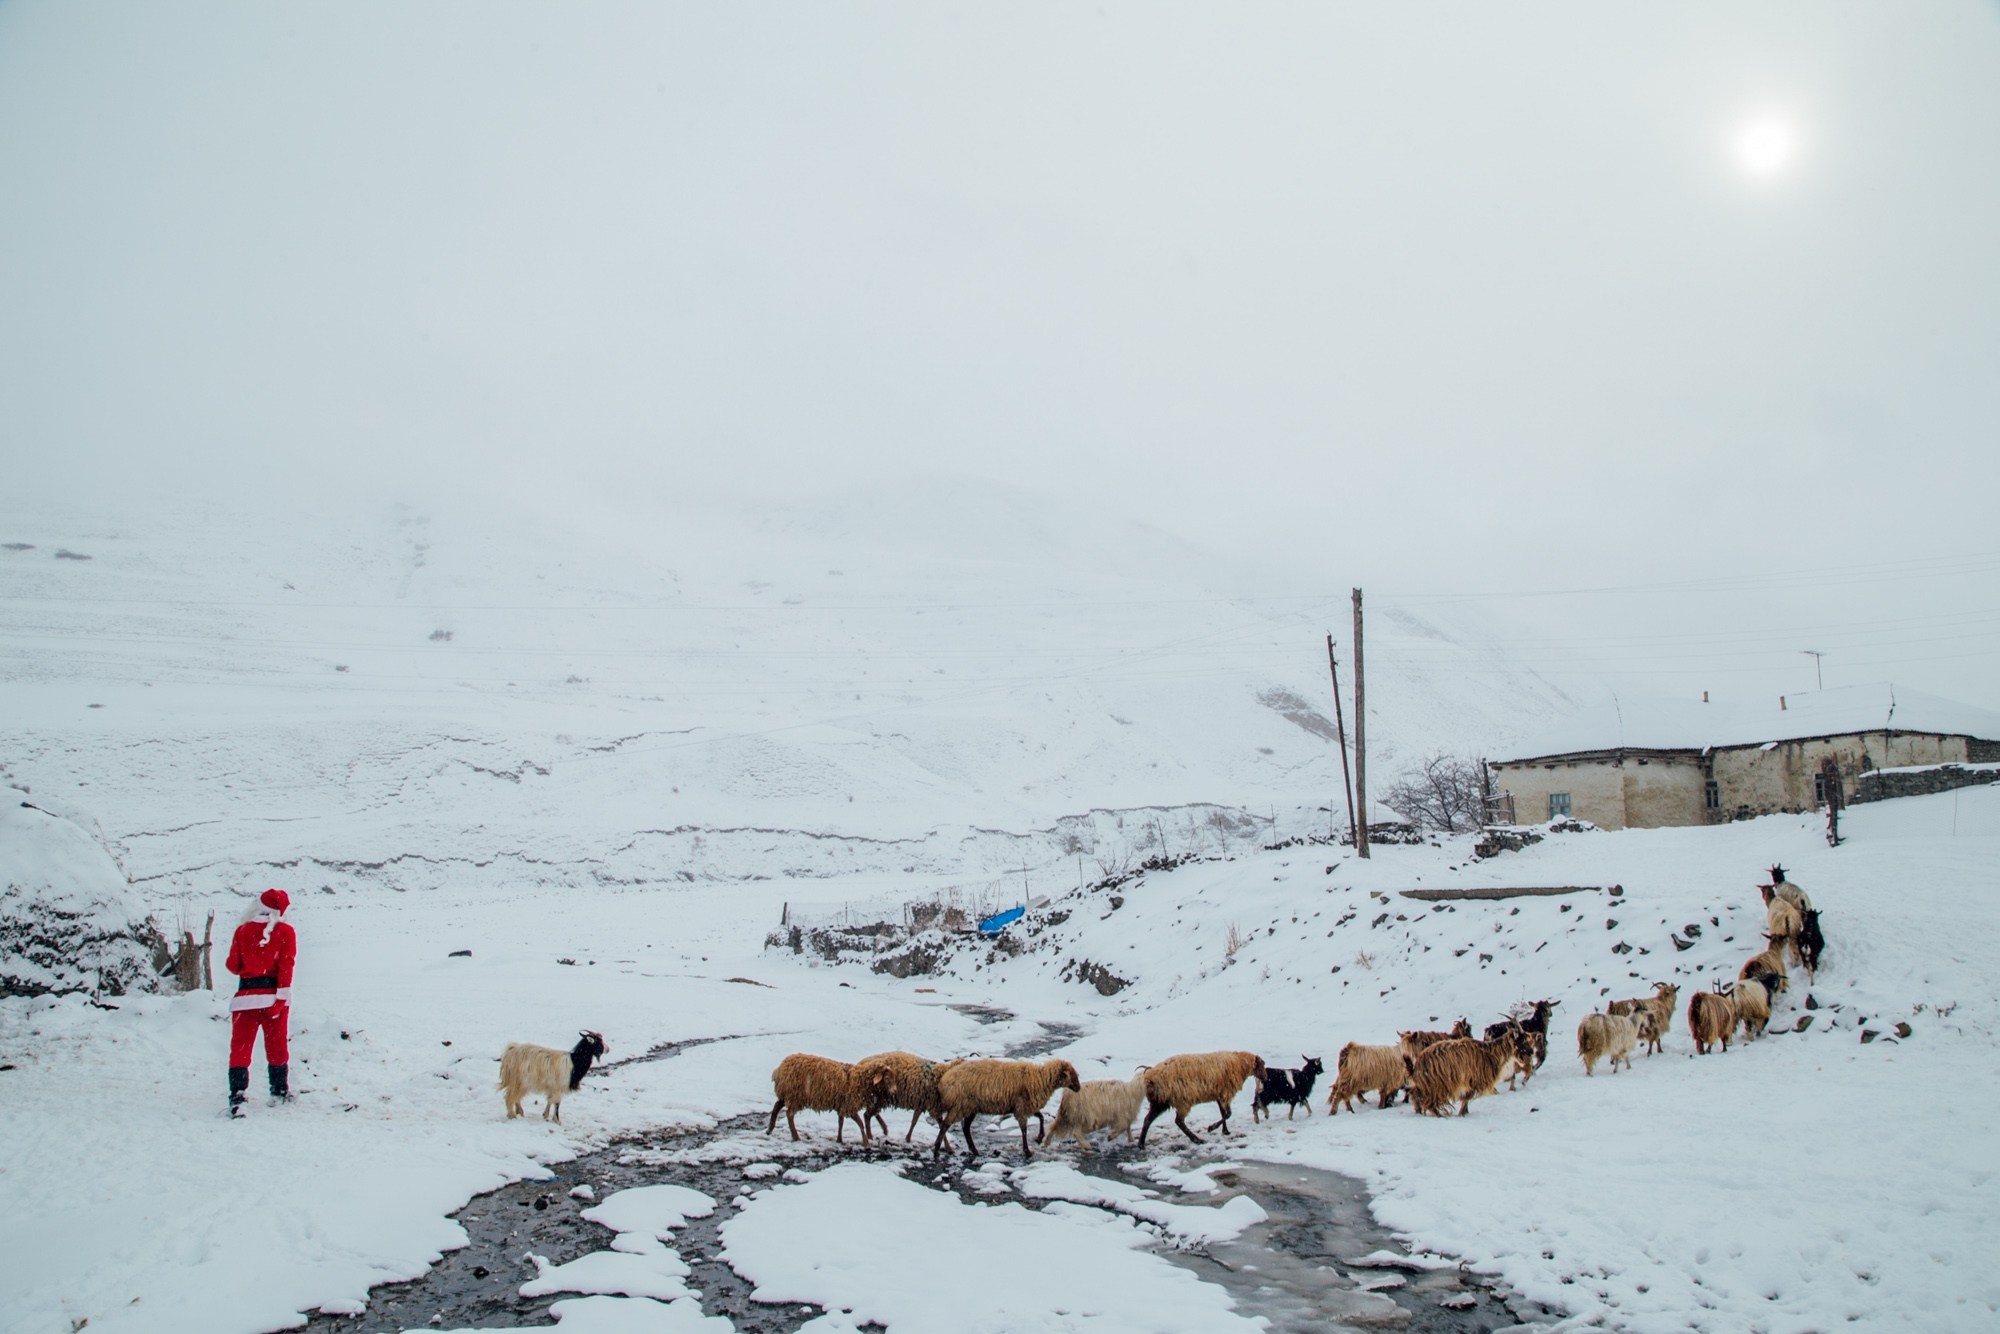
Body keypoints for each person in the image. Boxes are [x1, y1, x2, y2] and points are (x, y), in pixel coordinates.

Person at [224, 888, 296, 1117]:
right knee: (276, 1047)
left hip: (245, 999)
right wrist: (281, 998)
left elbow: (233, 966)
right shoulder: (286, 932)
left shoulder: (242, 931)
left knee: (241, 1048)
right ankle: (279, 1090)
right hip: (273, 996)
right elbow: (287, 966)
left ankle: (237, 1093)